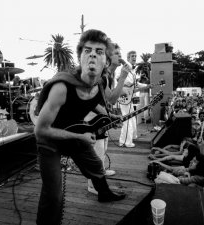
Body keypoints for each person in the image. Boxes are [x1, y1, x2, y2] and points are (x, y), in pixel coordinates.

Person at [34, 29, 127, 225]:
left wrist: (109, 116)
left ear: (107, 63)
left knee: (96, 166)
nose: (92, 54)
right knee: (54, 195)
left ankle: (104, 193)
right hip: (49, 139)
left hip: (75, 131)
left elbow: (92, 100)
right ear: (80, 58)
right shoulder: (62, 87)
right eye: (87, 50)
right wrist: (79, 137)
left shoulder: (100, 84)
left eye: (99, 51)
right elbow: (40, 130)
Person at [85, 42, 130, 194]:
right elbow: (110, 99)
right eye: (117, 53)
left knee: (102, 148)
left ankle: (101, 172)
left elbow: (107, 100)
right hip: (91, 118)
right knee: (96, 152)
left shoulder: (109, 75)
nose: (121, 56)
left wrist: (110, 115)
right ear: (109, 58)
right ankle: (92, 185)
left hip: (100, 116)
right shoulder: (102, 75)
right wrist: (123, 77)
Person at [118, 50, 153, 148]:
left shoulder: (132, 71)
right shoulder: (125, 68)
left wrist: (147, 85)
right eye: (132, 56)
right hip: (125, 97)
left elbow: (135, 84)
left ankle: (132, 137)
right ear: (128, 58)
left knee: (132, 118)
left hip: (129, 97)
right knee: (127, 119)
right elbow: (126, 83)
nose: (134, 57)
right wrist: (143, 87)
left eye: (135, 56)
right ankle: (125, 142)